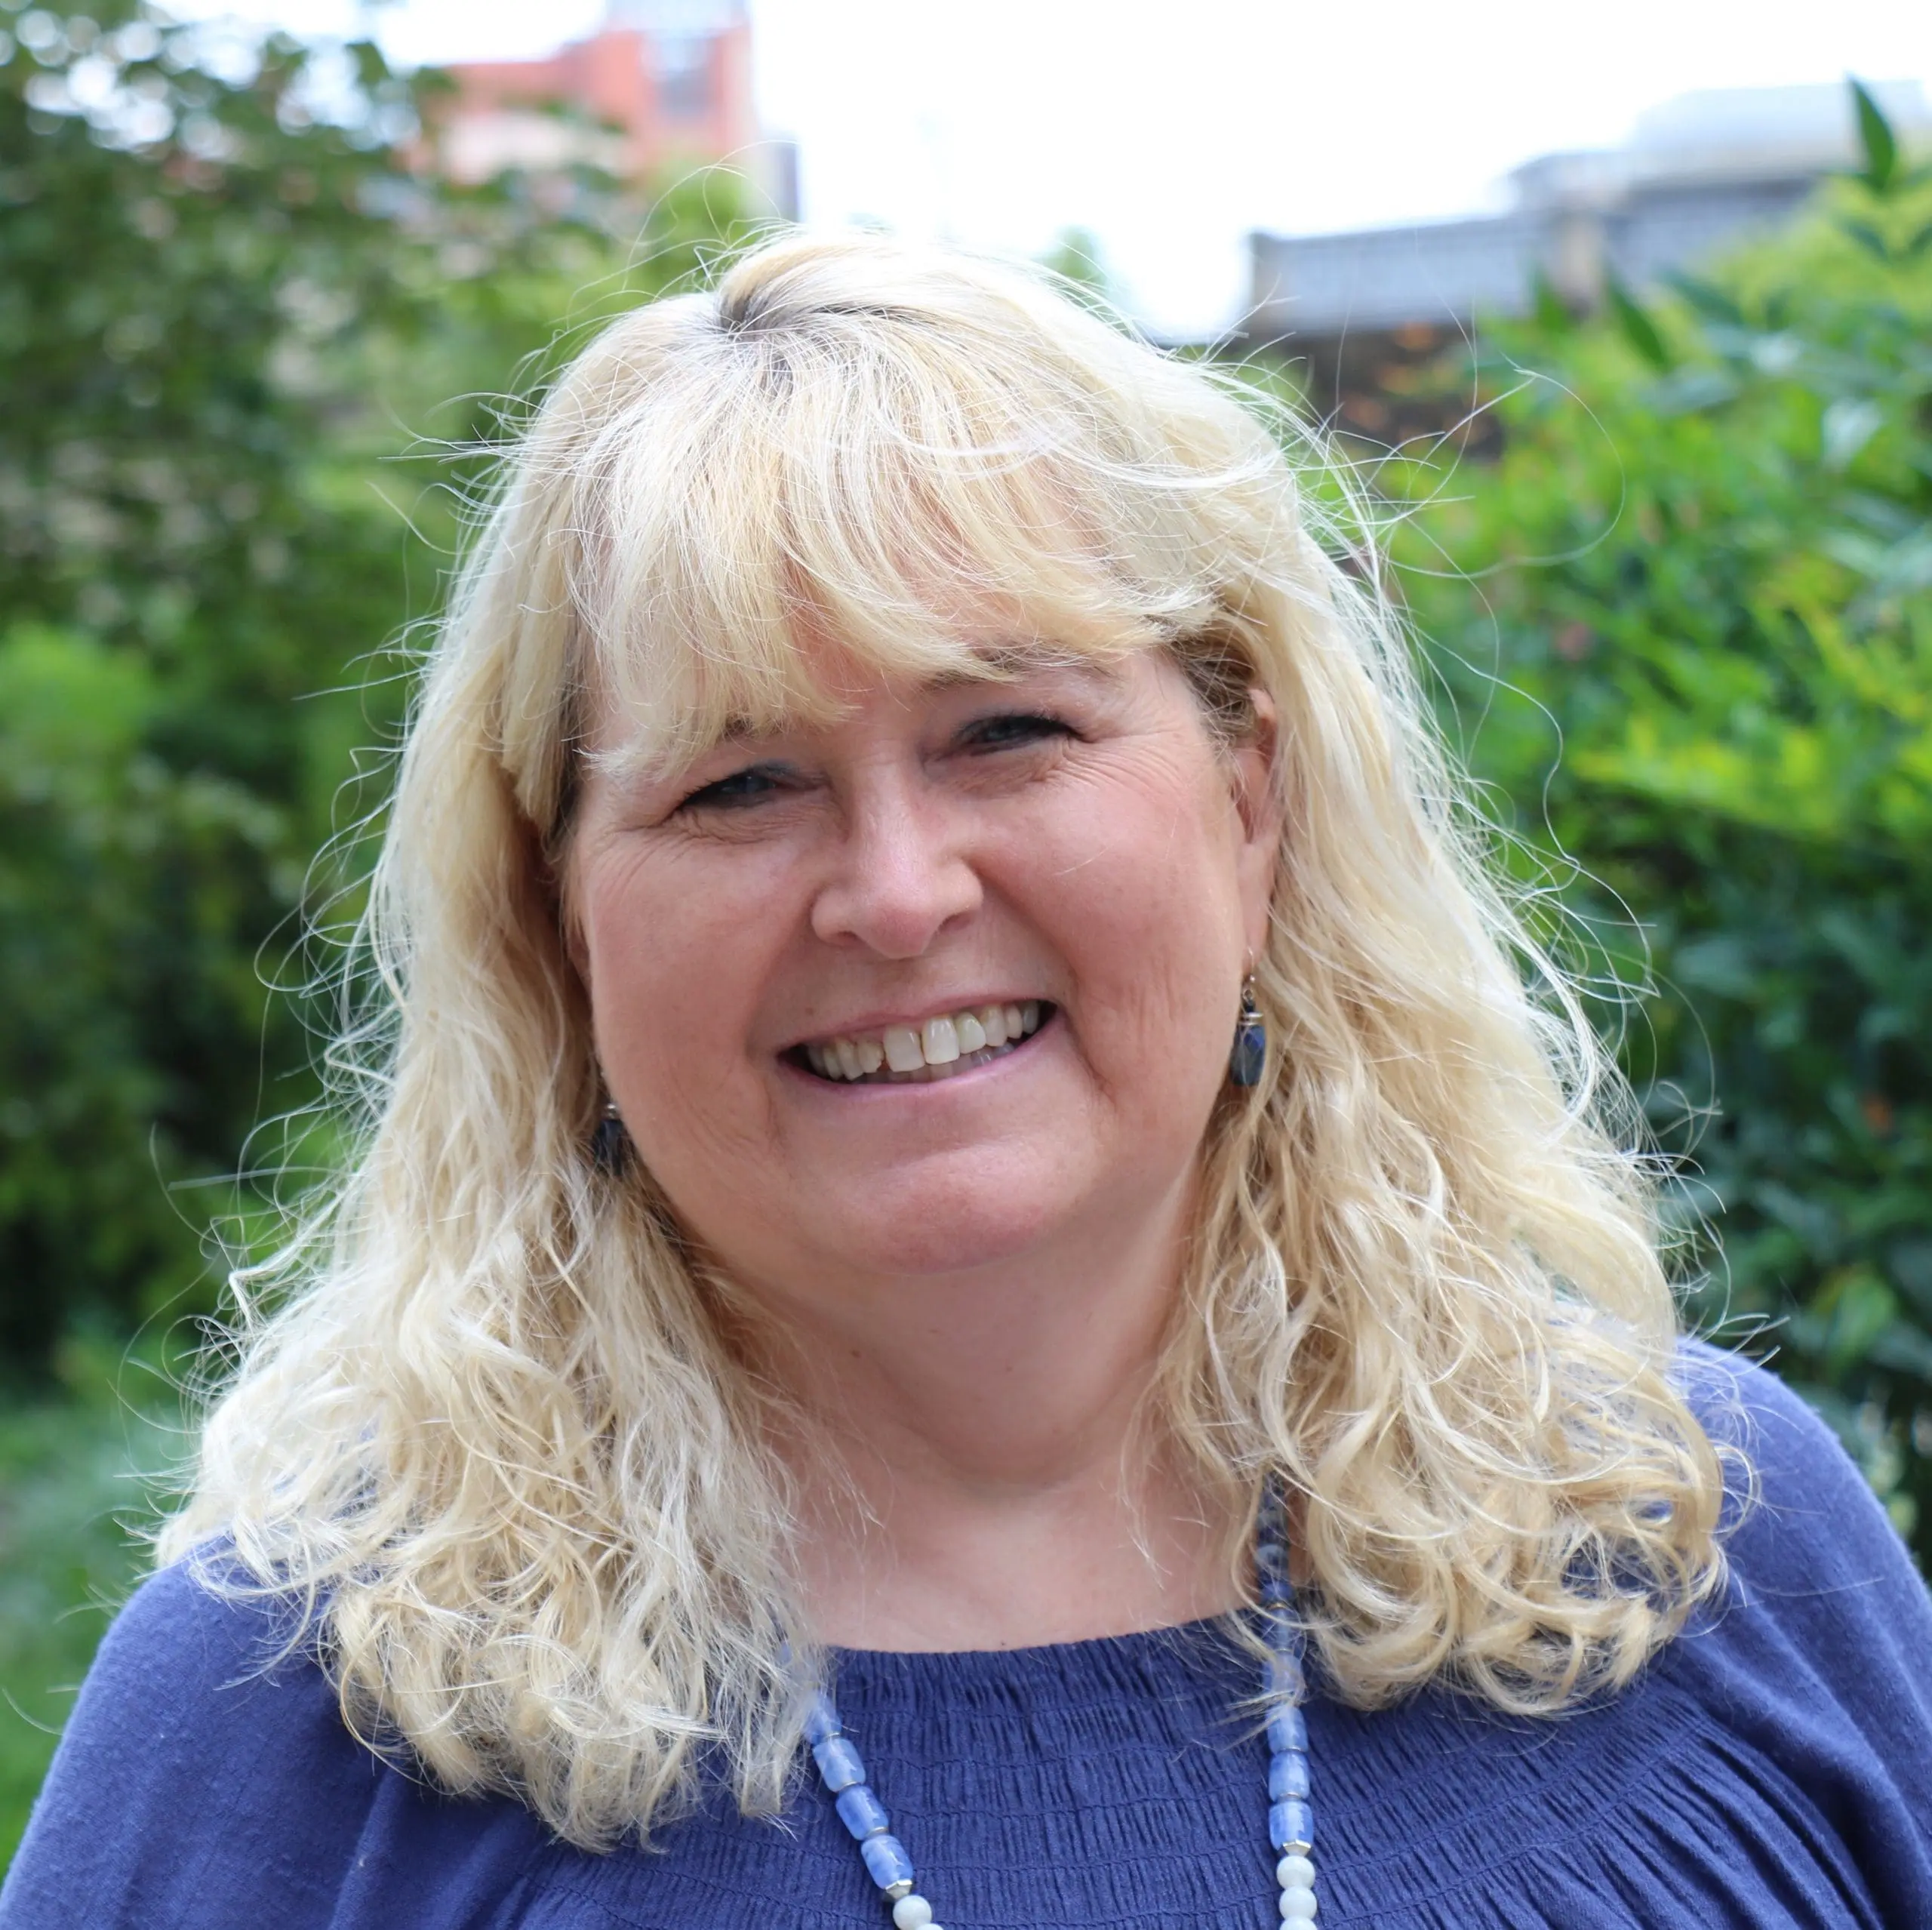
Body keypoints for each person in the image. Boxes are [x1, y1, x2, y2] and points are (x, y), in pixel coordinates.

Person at [3, 232, 1927, 1930]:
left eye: (1007, 731)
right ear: (557, 921)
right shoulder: (299, 1721)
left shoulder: (1702, 1546)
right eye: (734, 783)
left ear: (1247, 803)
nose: (898, 895)